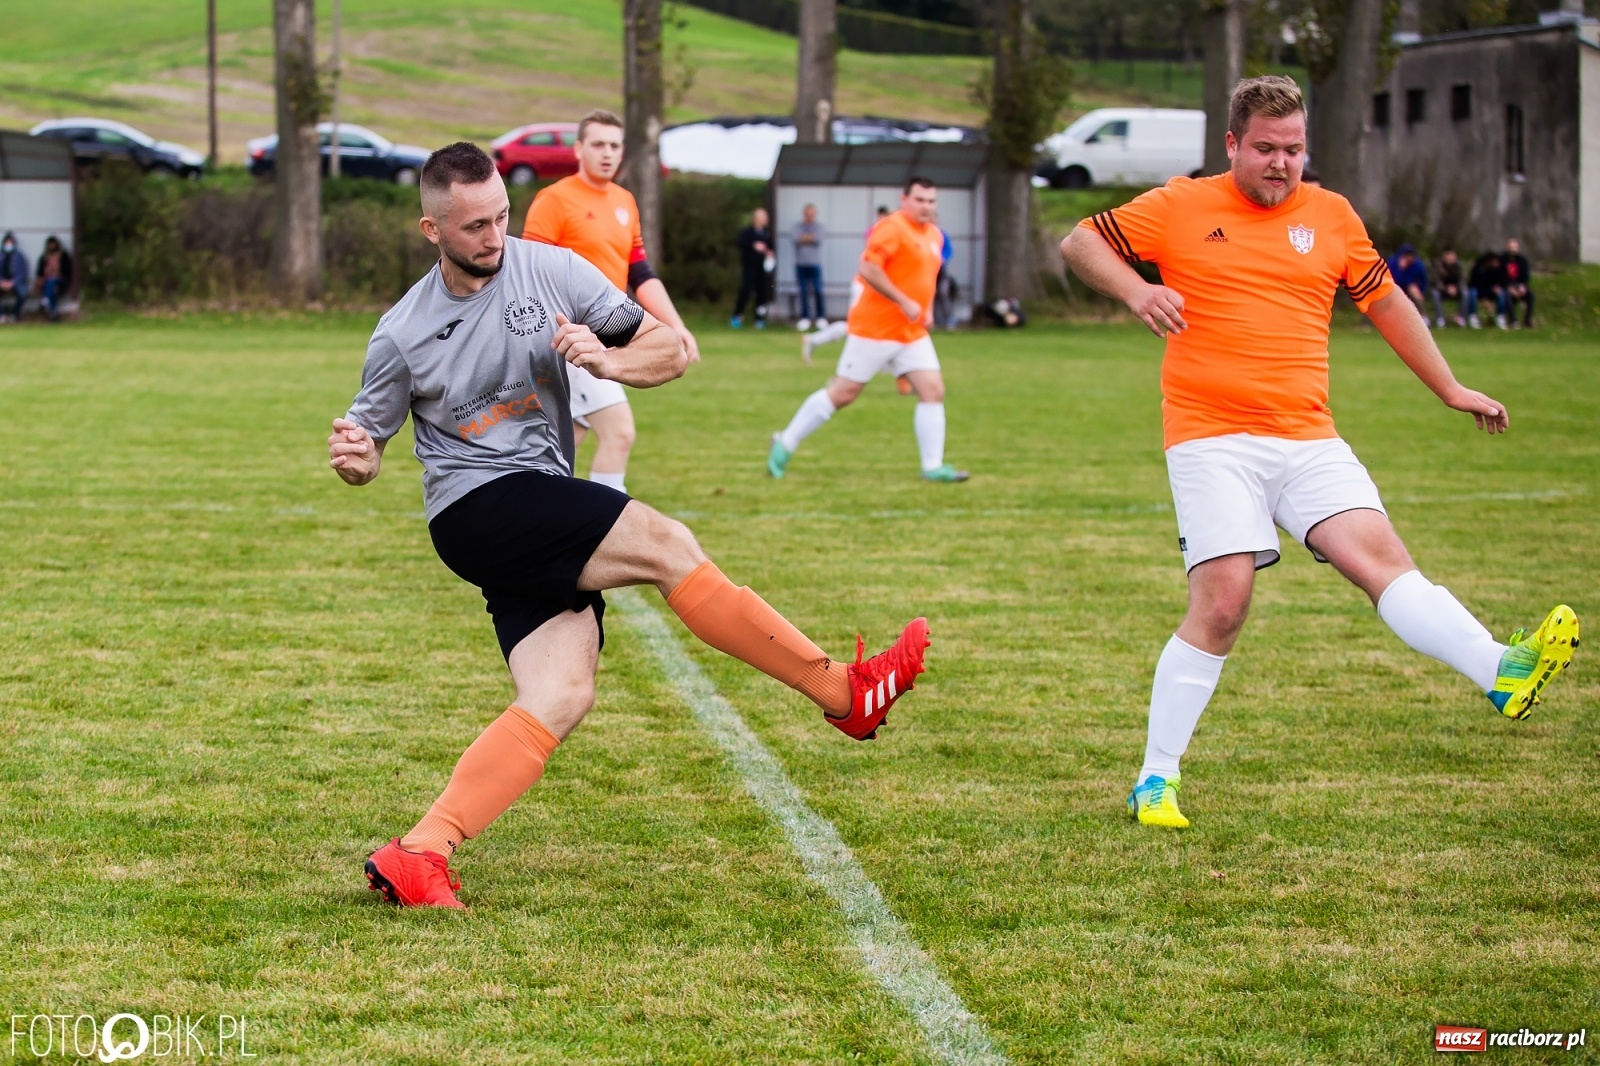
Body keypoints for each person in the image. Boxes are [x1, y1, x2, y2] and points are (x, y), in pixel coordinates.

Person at [331, 143, 931, 908]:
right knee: (667, 543)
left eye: (501, 217)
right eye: (475, 225)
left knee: (563, 690)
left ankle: (421, 850)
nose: (493, 236)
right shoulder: (402, 329)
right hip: (474, 506)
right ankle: (844, 694)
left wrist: (609, 364)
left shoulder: (548, 269)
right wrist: (355, 458)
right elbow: (366, 449)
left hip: (536, 494)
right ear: (431, 228)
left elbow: (668, 349)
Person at [1060, 75, 1579, 830]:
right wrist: (1138, 292)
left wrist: (1451, 387)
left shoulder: (1331, 215)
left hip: (1308, 436)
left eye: (1295, 149)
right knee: (1225, 602)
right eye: (1266, 149)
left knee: (1384, 566)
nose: (1282, 163)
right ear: (1233, 145)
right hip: (1212, 438)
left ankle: (1500, 669)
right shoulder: (1180, 205)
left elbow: (1388, 302)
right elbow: (1080, 240)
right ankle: (1155, 779)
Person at [521, 109, 700, 496]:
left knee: (563, 444)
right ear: (578, 149)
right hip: (569, 342)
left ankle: (529, 517)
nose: (607, 153)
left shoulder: (625, 202)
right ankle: (608, 531)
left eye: (615, 146)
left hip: (609, 336)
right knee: (619, 432)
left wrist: (676, 326)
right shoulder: (554, 200)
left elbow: (640, 275)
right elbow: (527, 276)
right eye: (598, 144)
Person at [769, 177, 969, 484]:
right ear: (904, 199)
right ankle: (785, 442)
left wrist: (924, 308)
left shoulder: (935, 236)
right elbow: (868, 268)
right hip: (874, 330)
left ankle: (932, 466)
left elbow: (923, 278)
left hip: (912, 333)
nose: (926, 206)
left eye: (931, 201)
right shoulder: (892, 227)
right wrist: (904, 301)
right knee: (843, 394)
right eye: (920, 200)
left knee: (933, 390)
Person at [801, 206, 893, 363]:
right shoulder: (877, 233)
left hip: (876, 285)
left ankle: (888, 365)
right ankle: (815, 340)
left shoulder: (889, 233)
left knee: (876, 324)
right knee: (856, 326)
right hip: (865, 285)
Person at [732, 208, 774, 329]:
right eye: (764, 217)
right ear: (757, 219)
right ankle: (737, 316)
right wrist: (753, 246)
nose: (766, 219)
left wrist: (769, 252)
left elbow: (771, 248)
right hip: (750, 267)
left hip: (763, 268)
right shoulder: (747, 232)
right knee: (746, 290)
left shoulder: (766, 233)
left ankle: (759, 319)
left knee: (762, 293)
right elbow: (741, 244)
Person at [792, 203, 826, 331]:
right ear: (803, 214)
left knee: (818, 290)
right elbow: (796, 239)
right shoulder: (797, 227)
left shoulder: (819, 227)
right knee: (803, 291)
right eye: (807, 214)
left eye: (811, 214)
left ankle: (820, 317)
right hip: (801, 264)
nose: (809, 216)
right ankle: (805, 317)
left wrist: (806, 238)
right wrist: (809, 238)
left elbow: (818, 239)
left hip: (815, 263)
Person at [33, 236, 72, 323]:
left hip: (61, 281)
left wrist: (56, 271)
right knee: (52, 289)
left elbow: (67, 271)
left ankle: (45, 300)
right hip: (47, 282)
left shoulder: (63, 256)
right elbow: (39, 272)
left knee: (52, 282)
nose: (51, 246)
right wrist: (47, 271)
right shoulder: (44, 257)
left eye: (53, 244)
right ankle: (54, 314)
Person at [1386, 243, 1429, 322]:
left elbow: (1423, 280)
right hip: (1395, 287)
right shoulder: (1393, 263)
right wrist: (1401, 269)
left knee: (1414, 290)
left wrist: (1420, 291)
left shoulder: (1417, 265)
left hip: (1409, 287)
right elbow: (1393, 279)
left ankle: (1423, 316)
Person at [1500, 237, 1534, 329]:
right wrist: (1509, 288)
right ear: (1507, 247)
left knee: (1530, 296)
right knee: (1507, 296)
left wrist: (1523, 287)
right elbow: (1500, 277)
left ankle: (1527, 319)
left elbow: (1525, 276)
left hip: (1519, 286)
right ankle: (1513, 320)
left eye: (1514, 247)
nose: (1512, 249)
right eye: (1511, 247)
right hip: (1507, 287)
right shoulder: (1502, 260)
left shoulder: (1522, 261)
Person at [1466, 250, 1504, 329]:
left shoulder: (1498, 269)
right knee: (1472, 293)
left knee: (1501, 293)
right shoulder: (1478, 268)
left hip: (1490, 289)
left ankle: (1500, 316)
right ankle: (1472, 316)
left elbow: (1500, 281)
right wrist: (1484, 299)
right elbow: (1473, 283)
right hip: (1478, 289)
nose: (1497, 264)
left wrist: (1497, 287)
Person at [0, 232, 30, 323]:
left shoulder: (19, 256)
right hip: (2, 282)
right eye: (7, 242)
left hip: (16, 282)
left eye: (10, 242)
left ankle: (15, 314)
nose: (8, 245)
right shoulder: (1, 256)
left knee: (23, 293)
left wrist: (13, 282)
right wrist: (1, 281)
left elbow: (22, 272)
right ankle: (1, 315)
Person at [1432, 247, 1464, 328]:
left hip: (1456, 289)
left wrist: (1456, 288)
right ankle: (1440, 318)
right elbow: (1436, 280)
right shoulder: (1438, 265)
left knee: (1466, 293)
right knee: (1435, 293)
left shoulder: (1458, 266)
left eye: (1451, 255)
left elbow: (1462, 279)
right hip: (1443, 289)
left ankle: (1460, 317)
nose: (1450, 257)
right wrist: (1446, 289)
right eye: (1448, 255)